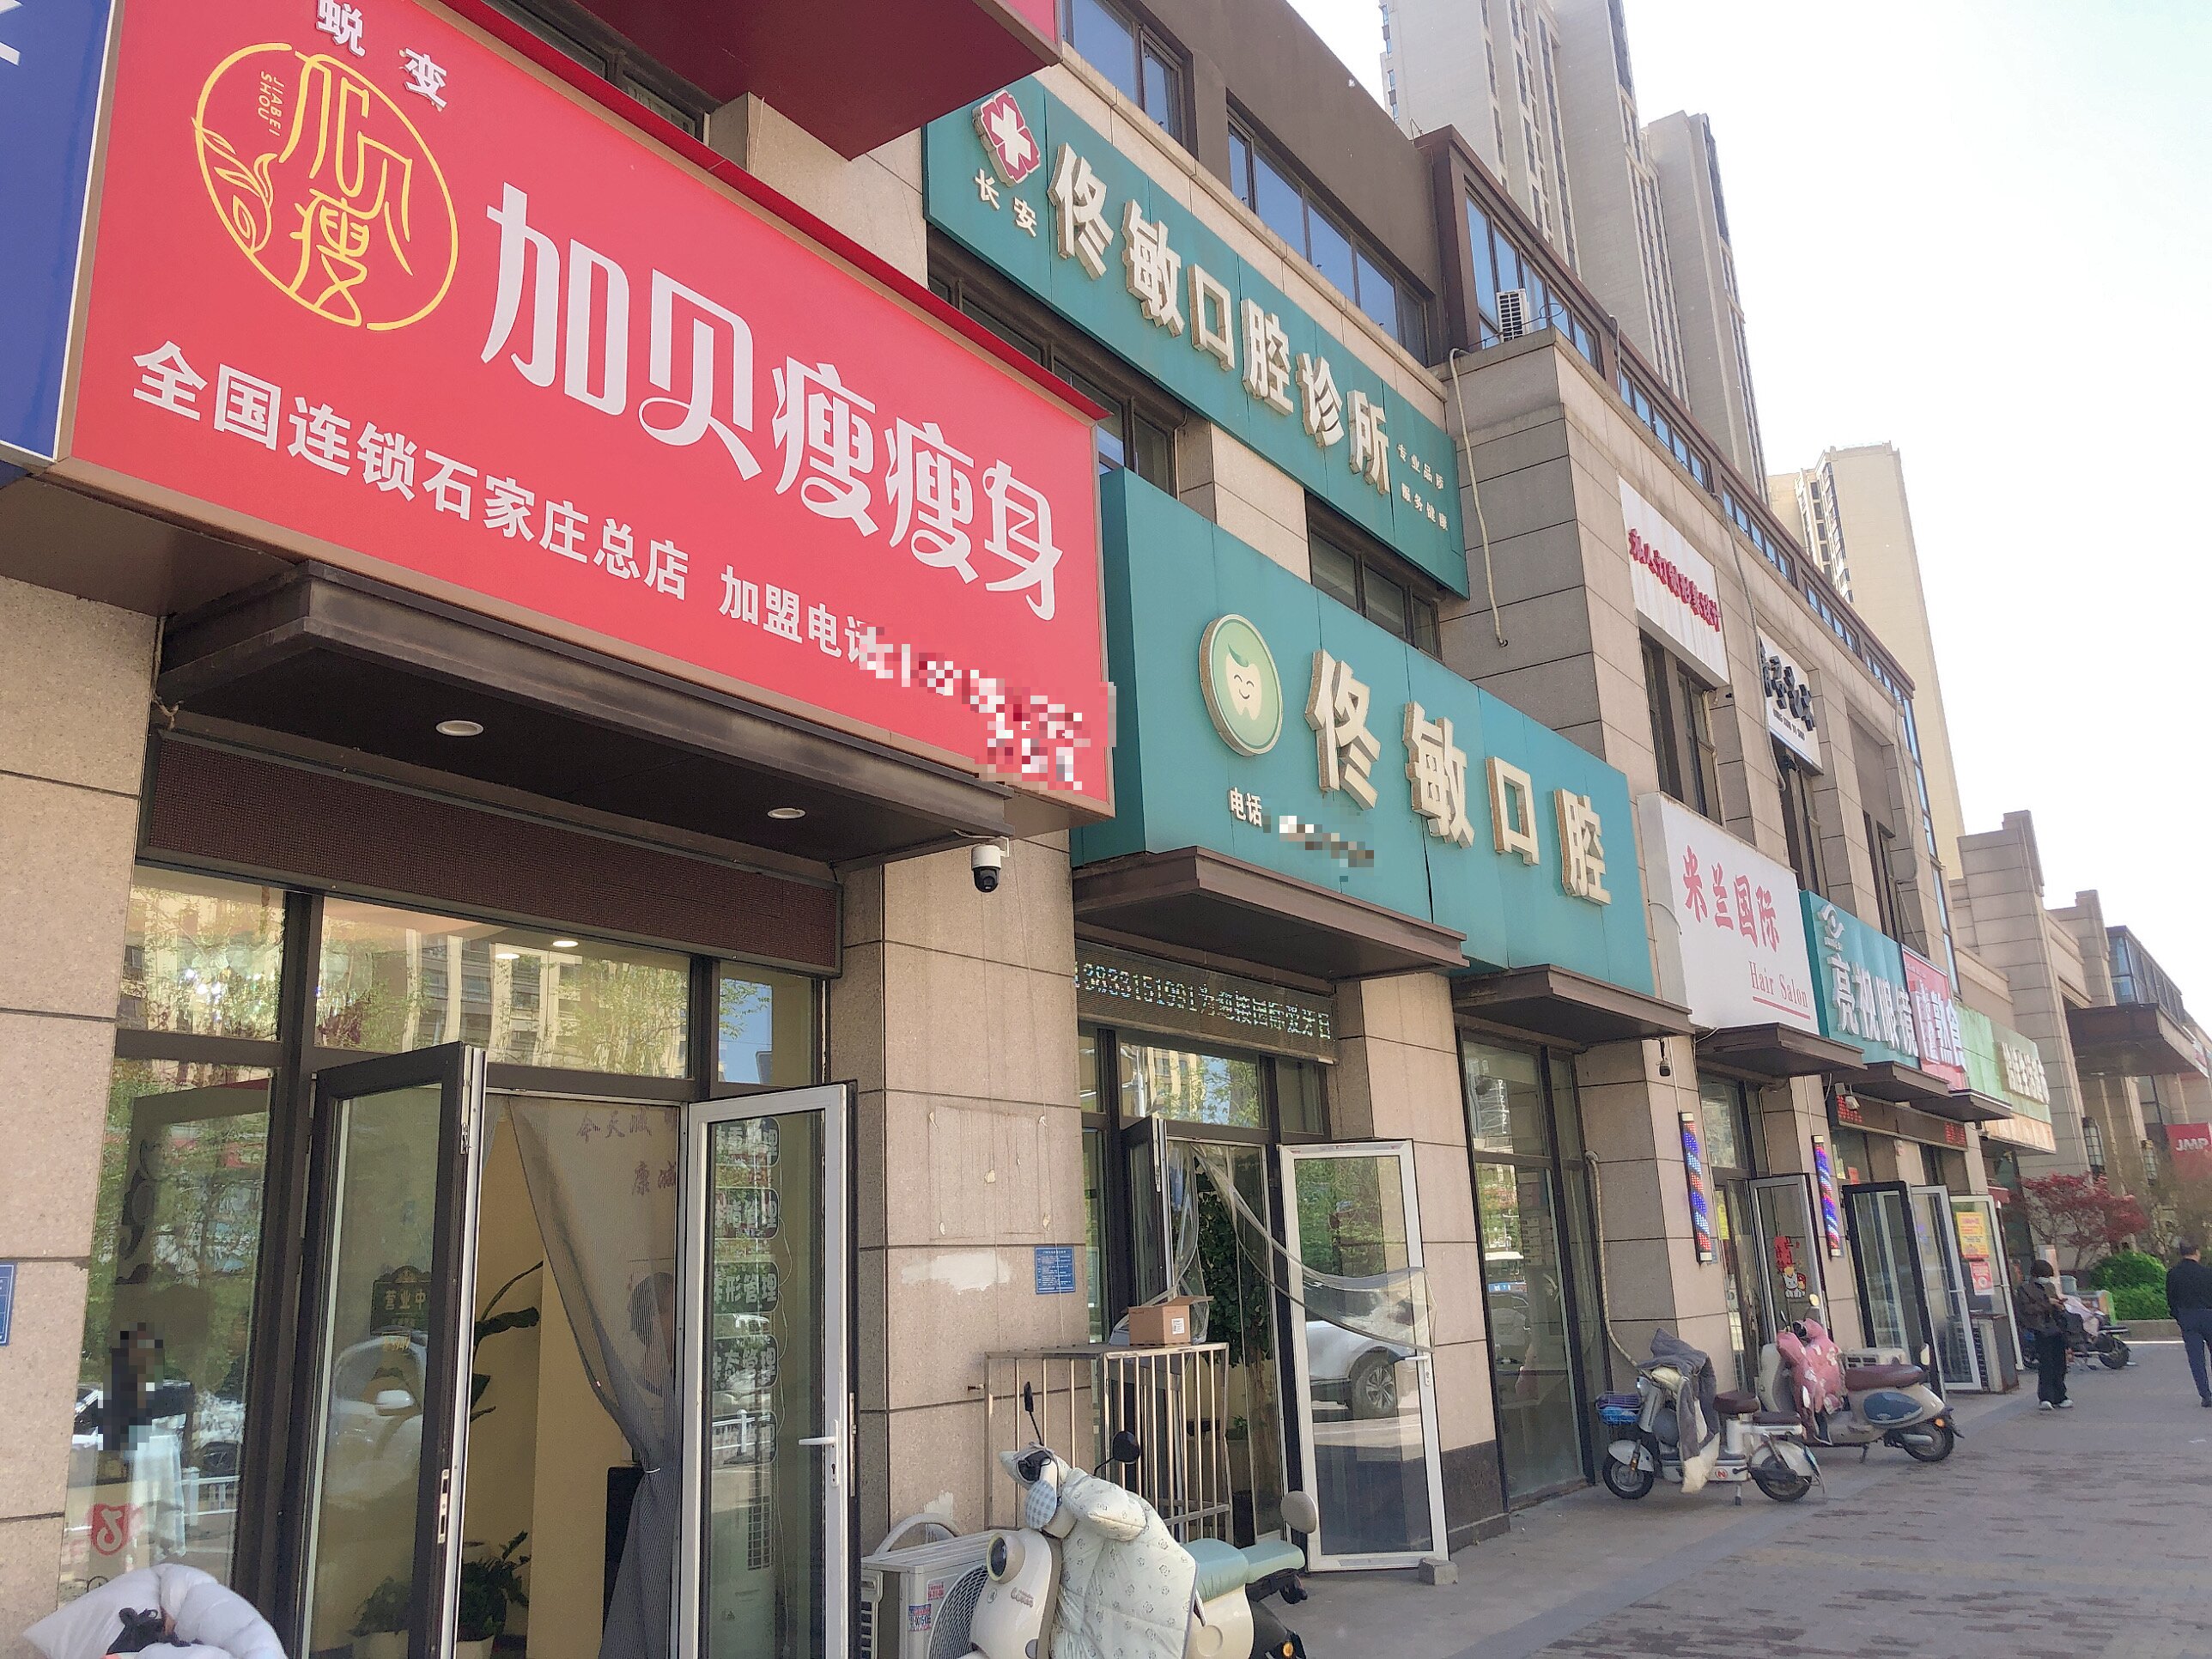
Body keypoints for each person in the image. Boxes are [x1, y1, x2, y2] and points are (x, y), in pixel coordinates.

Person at [2014, 1259, 2072, 1411]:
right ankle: (2046, 1397)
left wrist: (2059, 1305)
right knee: (2046, 1364)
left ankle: (2060, 1396)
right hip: (2040, 1329)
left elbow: (2054, 1306)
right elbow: (2027, 1309)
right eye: (2044, 1275)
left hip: (2056, 1328)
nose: (2046, 1279)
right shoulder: (2025, 1289)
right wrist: (2048, 1303)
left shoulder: (2050, 1287)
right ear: (2036, 1275)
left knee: (2060, 1364)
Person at [2166, 1240, 2212, 1407]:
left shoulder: (2173, 1274)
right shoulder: (2207, 1273)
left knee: (2196, 1359)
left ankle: (2206, 1395)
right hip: (2209, 1314)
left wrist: (2179, 1317)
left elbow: (2171, 1299)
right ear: (2197, 1252)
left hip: (2188, 1317)